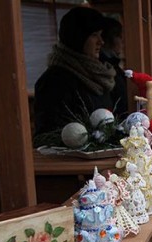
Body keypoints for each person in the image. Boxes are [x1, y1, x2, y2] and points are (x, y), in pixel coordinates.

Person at [34, 7, 116, 144]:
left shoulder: (98, 74)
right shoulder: (54, 81)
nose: (101, 42)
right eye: (94, 35)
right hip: (71, 161)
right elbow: (49, 134)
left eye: (101, 35)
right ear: (78, 38)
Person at [100, 16, 128, 119]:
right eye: (119, 37)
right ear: (109, 38)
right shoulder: (103, 67)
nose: (123, 42)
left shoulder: (113, 64)